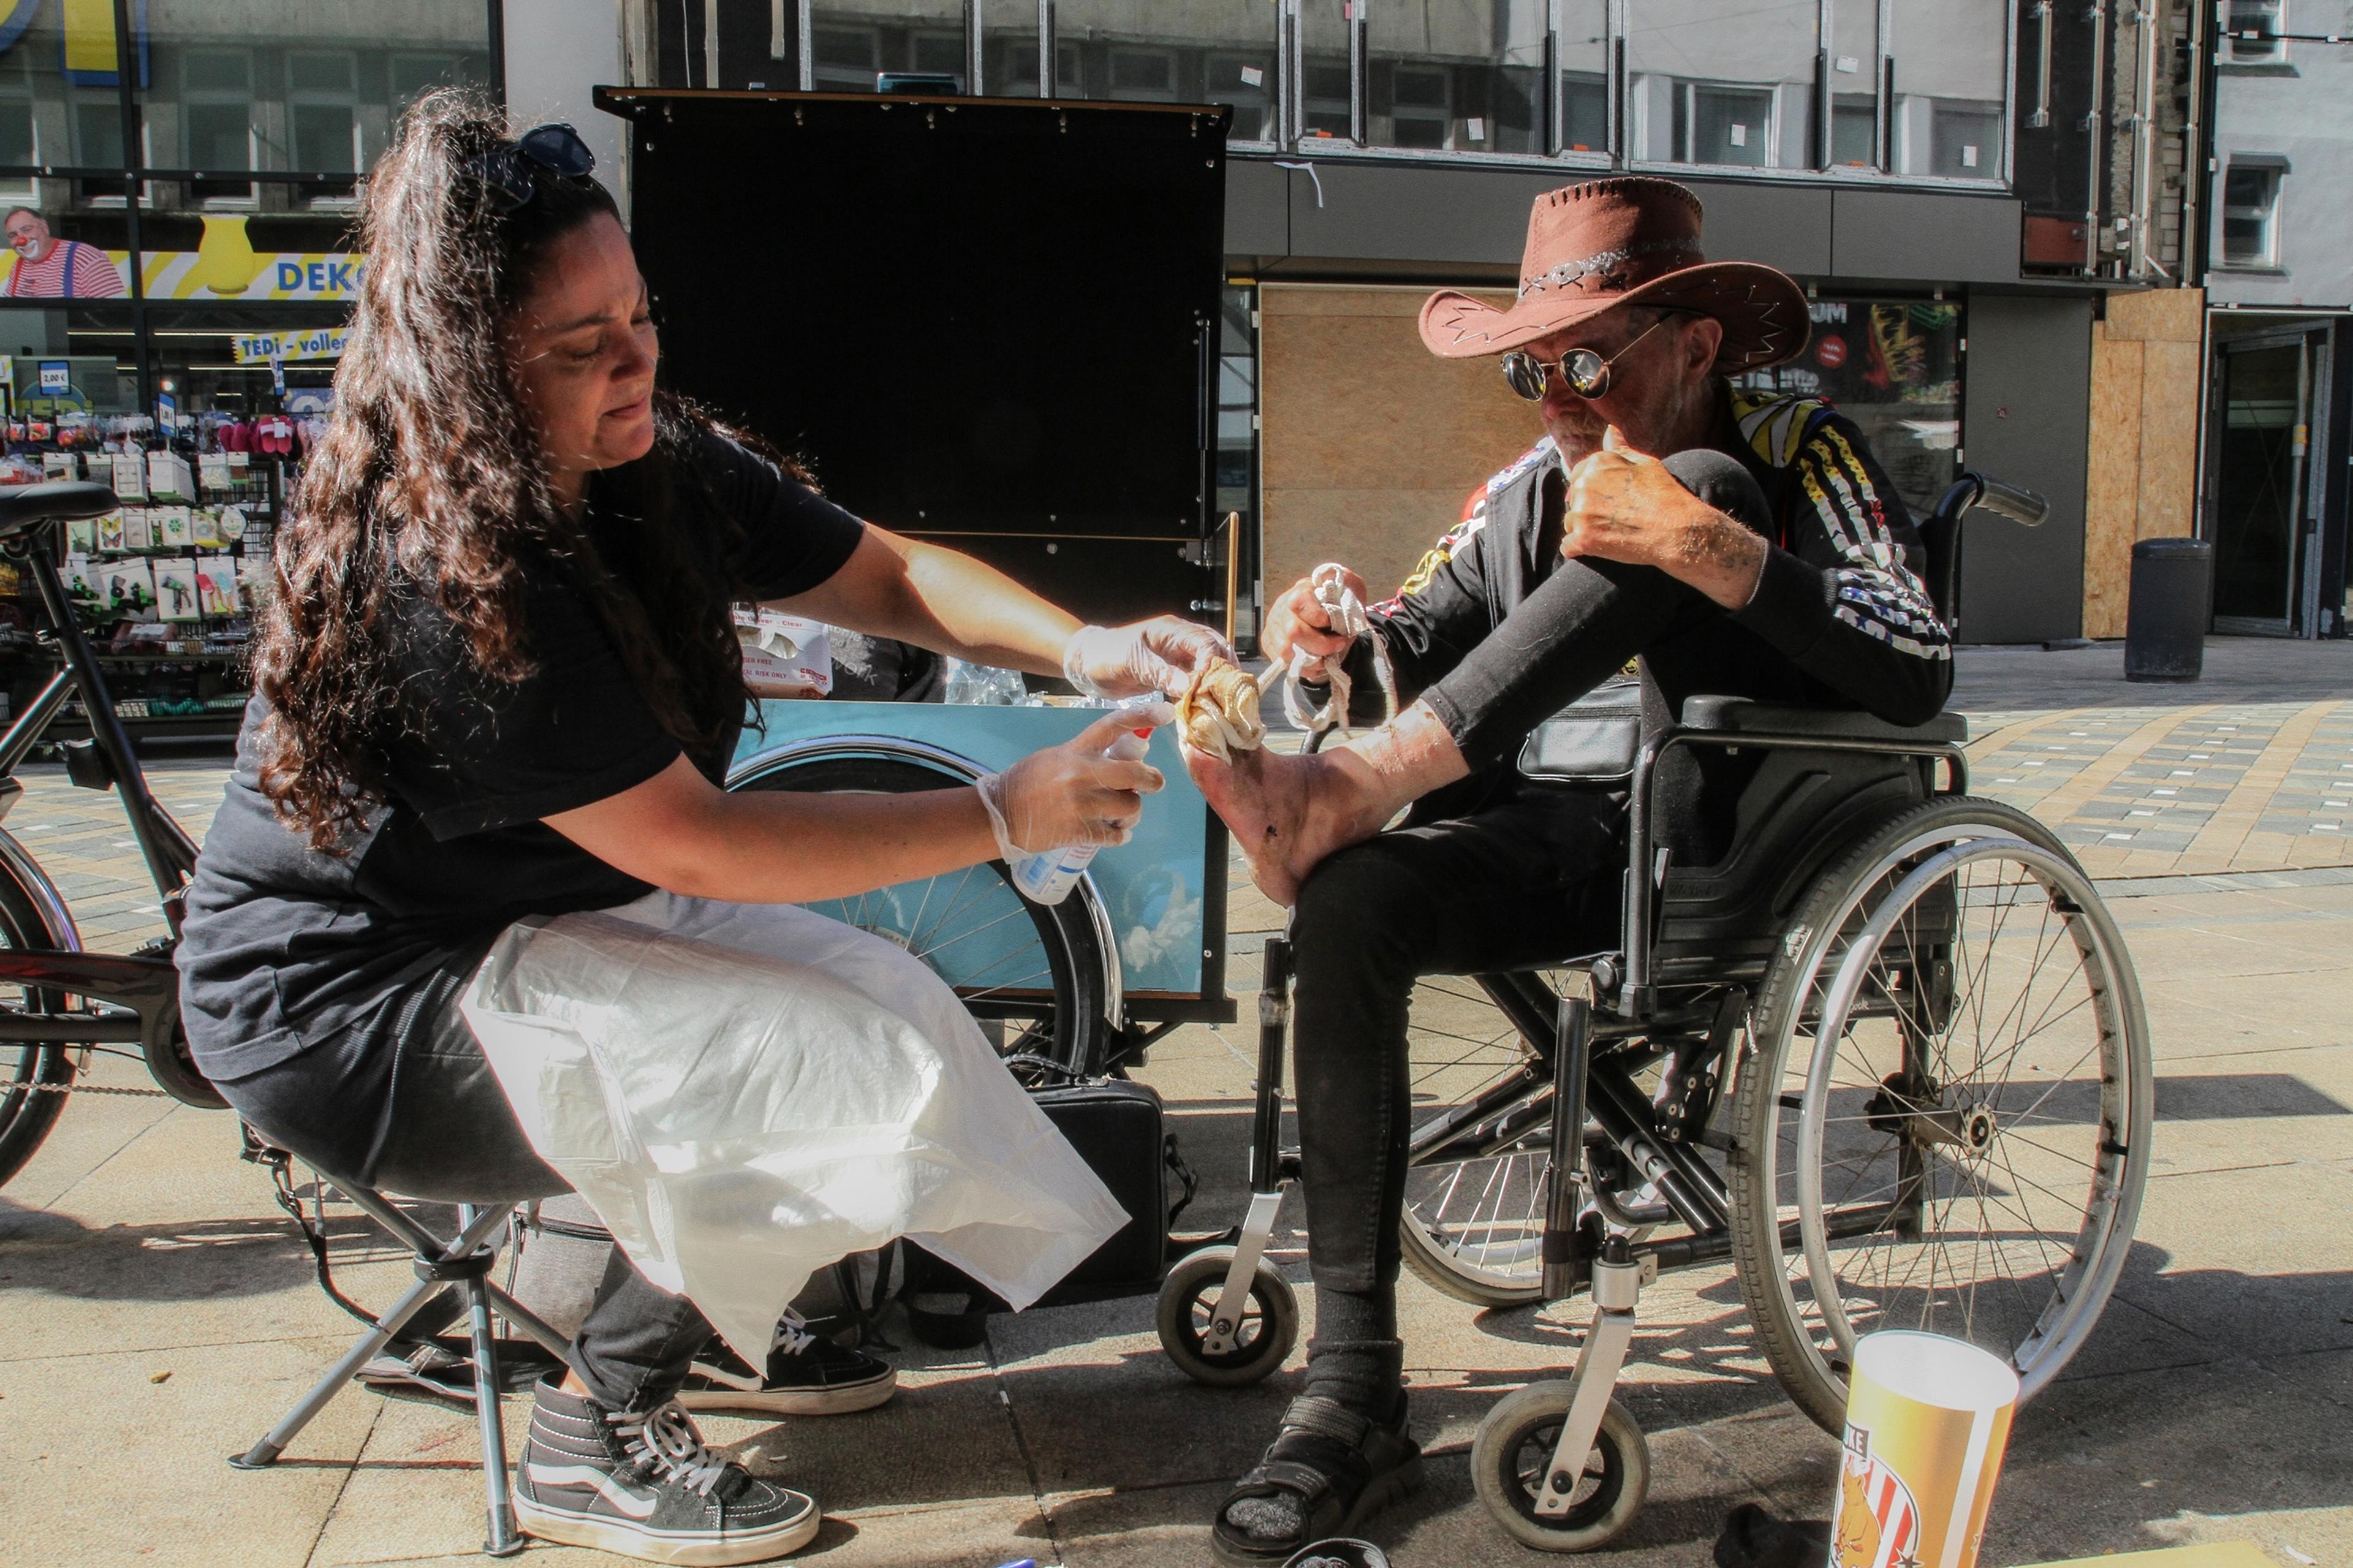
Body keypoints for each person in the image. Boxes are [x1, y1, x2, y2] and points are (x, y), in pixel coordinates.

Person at [174, 94, 1226, 1567]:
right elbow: (697, 843)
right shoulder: (445, 570)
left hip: (516, 929)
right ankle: (593, 1426)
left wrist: (1088, 648)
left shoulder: (641, 459)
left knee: (901, 1012)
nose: (636, 362)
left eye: (640, 315)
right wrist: (997, 812)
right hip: (348, 1003)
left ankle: (720, 1315)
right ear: (466, 369)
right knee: (787, 1064)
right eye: (579, 345)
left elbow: (888, 572)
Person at [1183, 175, 1952, 1563]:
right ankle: (1351, 1391)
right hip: (1558, 833)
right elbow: (1419, 632)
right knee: (1348, 901)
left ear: (1697, 346)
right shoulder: (1524, 486)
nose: (1555, 393)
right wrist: (1329, 643)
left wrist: (1719, 553)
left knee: (1691, 489)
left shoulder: (1788, 447)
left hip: (1732, 836)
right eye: (1533, 365)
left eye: (1587, 357)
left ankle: (1350, 788)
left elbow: (1914, 659)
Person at [3, 207, 127, 298]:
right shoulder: (18, 267)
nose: (21, 240)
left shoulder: (84, 258)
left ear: (45, 228)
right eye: (13, 235)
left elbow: (114, 313)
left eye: (27, 230)